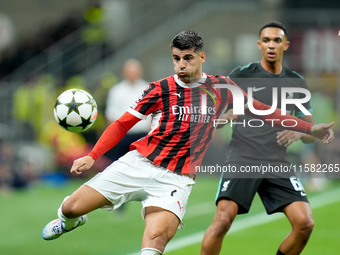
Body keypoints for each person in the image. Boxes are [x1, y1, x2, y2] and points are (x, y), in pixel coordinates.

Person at [41, 30, 334, 255]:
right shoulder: (159, 89)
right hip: (138, 163)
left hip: (175, 180)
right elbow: (122, 124)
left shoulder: (221, 89)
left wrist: (311, 128)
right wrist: (93, 155)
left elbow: (267, 111)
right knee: (70, 208)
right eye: (176, 58)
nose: (181, 65)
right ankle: (70, 222)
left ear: (201, 57)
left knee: (154, 244)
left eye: (188, 58)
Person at [201, 21, 322, 255]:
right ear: (259, 44)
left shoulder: (296, 82)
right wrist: (229, 115)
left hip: (277, 162)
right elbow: (212, 120)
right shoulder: (241, 76)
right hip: (242, 158)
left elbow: (312, 134)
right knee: (223, 220)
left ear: (286, 45)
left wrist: (300, 132)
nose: (271, 45)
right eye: (266, 40)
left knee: (305, 224)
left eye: (277, 40)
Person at [105, 58, 150, 161]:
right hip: (123, 136)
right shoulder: (116, 90)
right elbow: (111, 114)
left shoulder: (148, 88)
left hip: (143, 135)